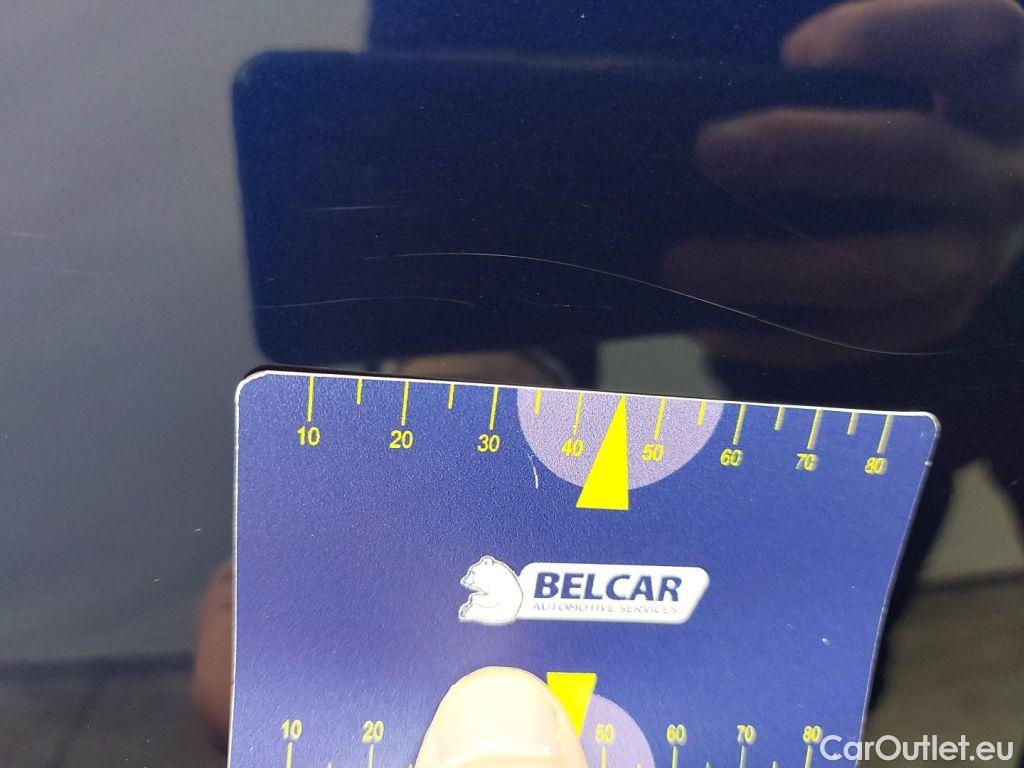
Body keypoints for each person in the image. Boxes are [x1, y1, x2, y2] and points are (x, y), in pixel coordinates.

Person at [195, 0, 1024, 751]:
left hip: (896, 376)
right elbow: (463, 254)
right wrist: (441, 455)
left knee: (800, 660)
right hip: (836, 393)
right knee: (801, 672)